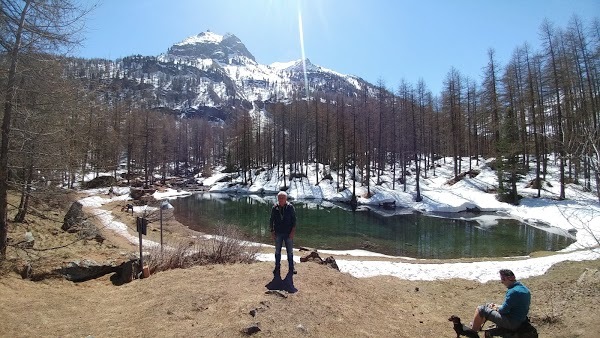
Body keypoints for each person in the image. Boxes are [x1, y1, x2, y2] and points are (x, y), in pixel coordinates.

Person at [269, 191, 297, 275]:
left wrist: (292, 232)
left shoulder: (290, 207)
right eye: (279, 198)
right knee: (277, 251)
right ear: (277, 199)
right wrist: (272, 231)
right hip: (278, 233)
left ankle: (291, 268)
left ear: (286, 199)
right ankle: (277, 267)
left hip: (288, 233)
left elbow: (294, 220)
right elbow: (271, 220)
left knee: (290, 252)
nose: (281, 200)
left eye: (282, 198)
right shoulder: (275, 207)